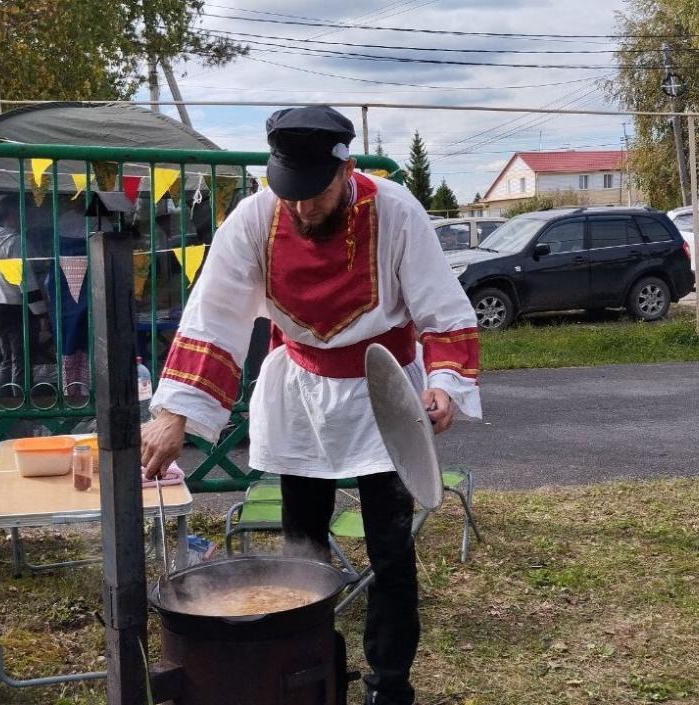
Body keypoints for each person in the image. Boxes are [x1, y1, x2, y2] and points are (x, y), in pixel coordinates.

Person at [141, 106, 482, 705]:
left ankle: (389, 684)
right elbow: (213, 315)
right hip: (300, 394)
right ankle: (309, 665)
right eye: (289, 194)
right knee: (301, 552)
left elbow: (443, 308)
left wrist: (445, 384)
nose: (301, 209)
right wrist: (174, 414)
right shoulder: (253, 218)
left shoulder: (397, 211)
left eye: (316, 195)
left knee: (391, 553)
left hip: (384, 394)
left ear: (345, 169)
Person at [0, 193, 47, 394]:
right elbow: (26, 282)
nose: (29, 216)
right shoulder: (17, 242)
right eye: (26, 212)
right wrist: (41, 313)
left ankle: (2, 399)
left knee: (7, 357)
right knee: (22, 357)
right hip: (17, 307)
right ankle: (21, 400)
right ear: (14, 213)